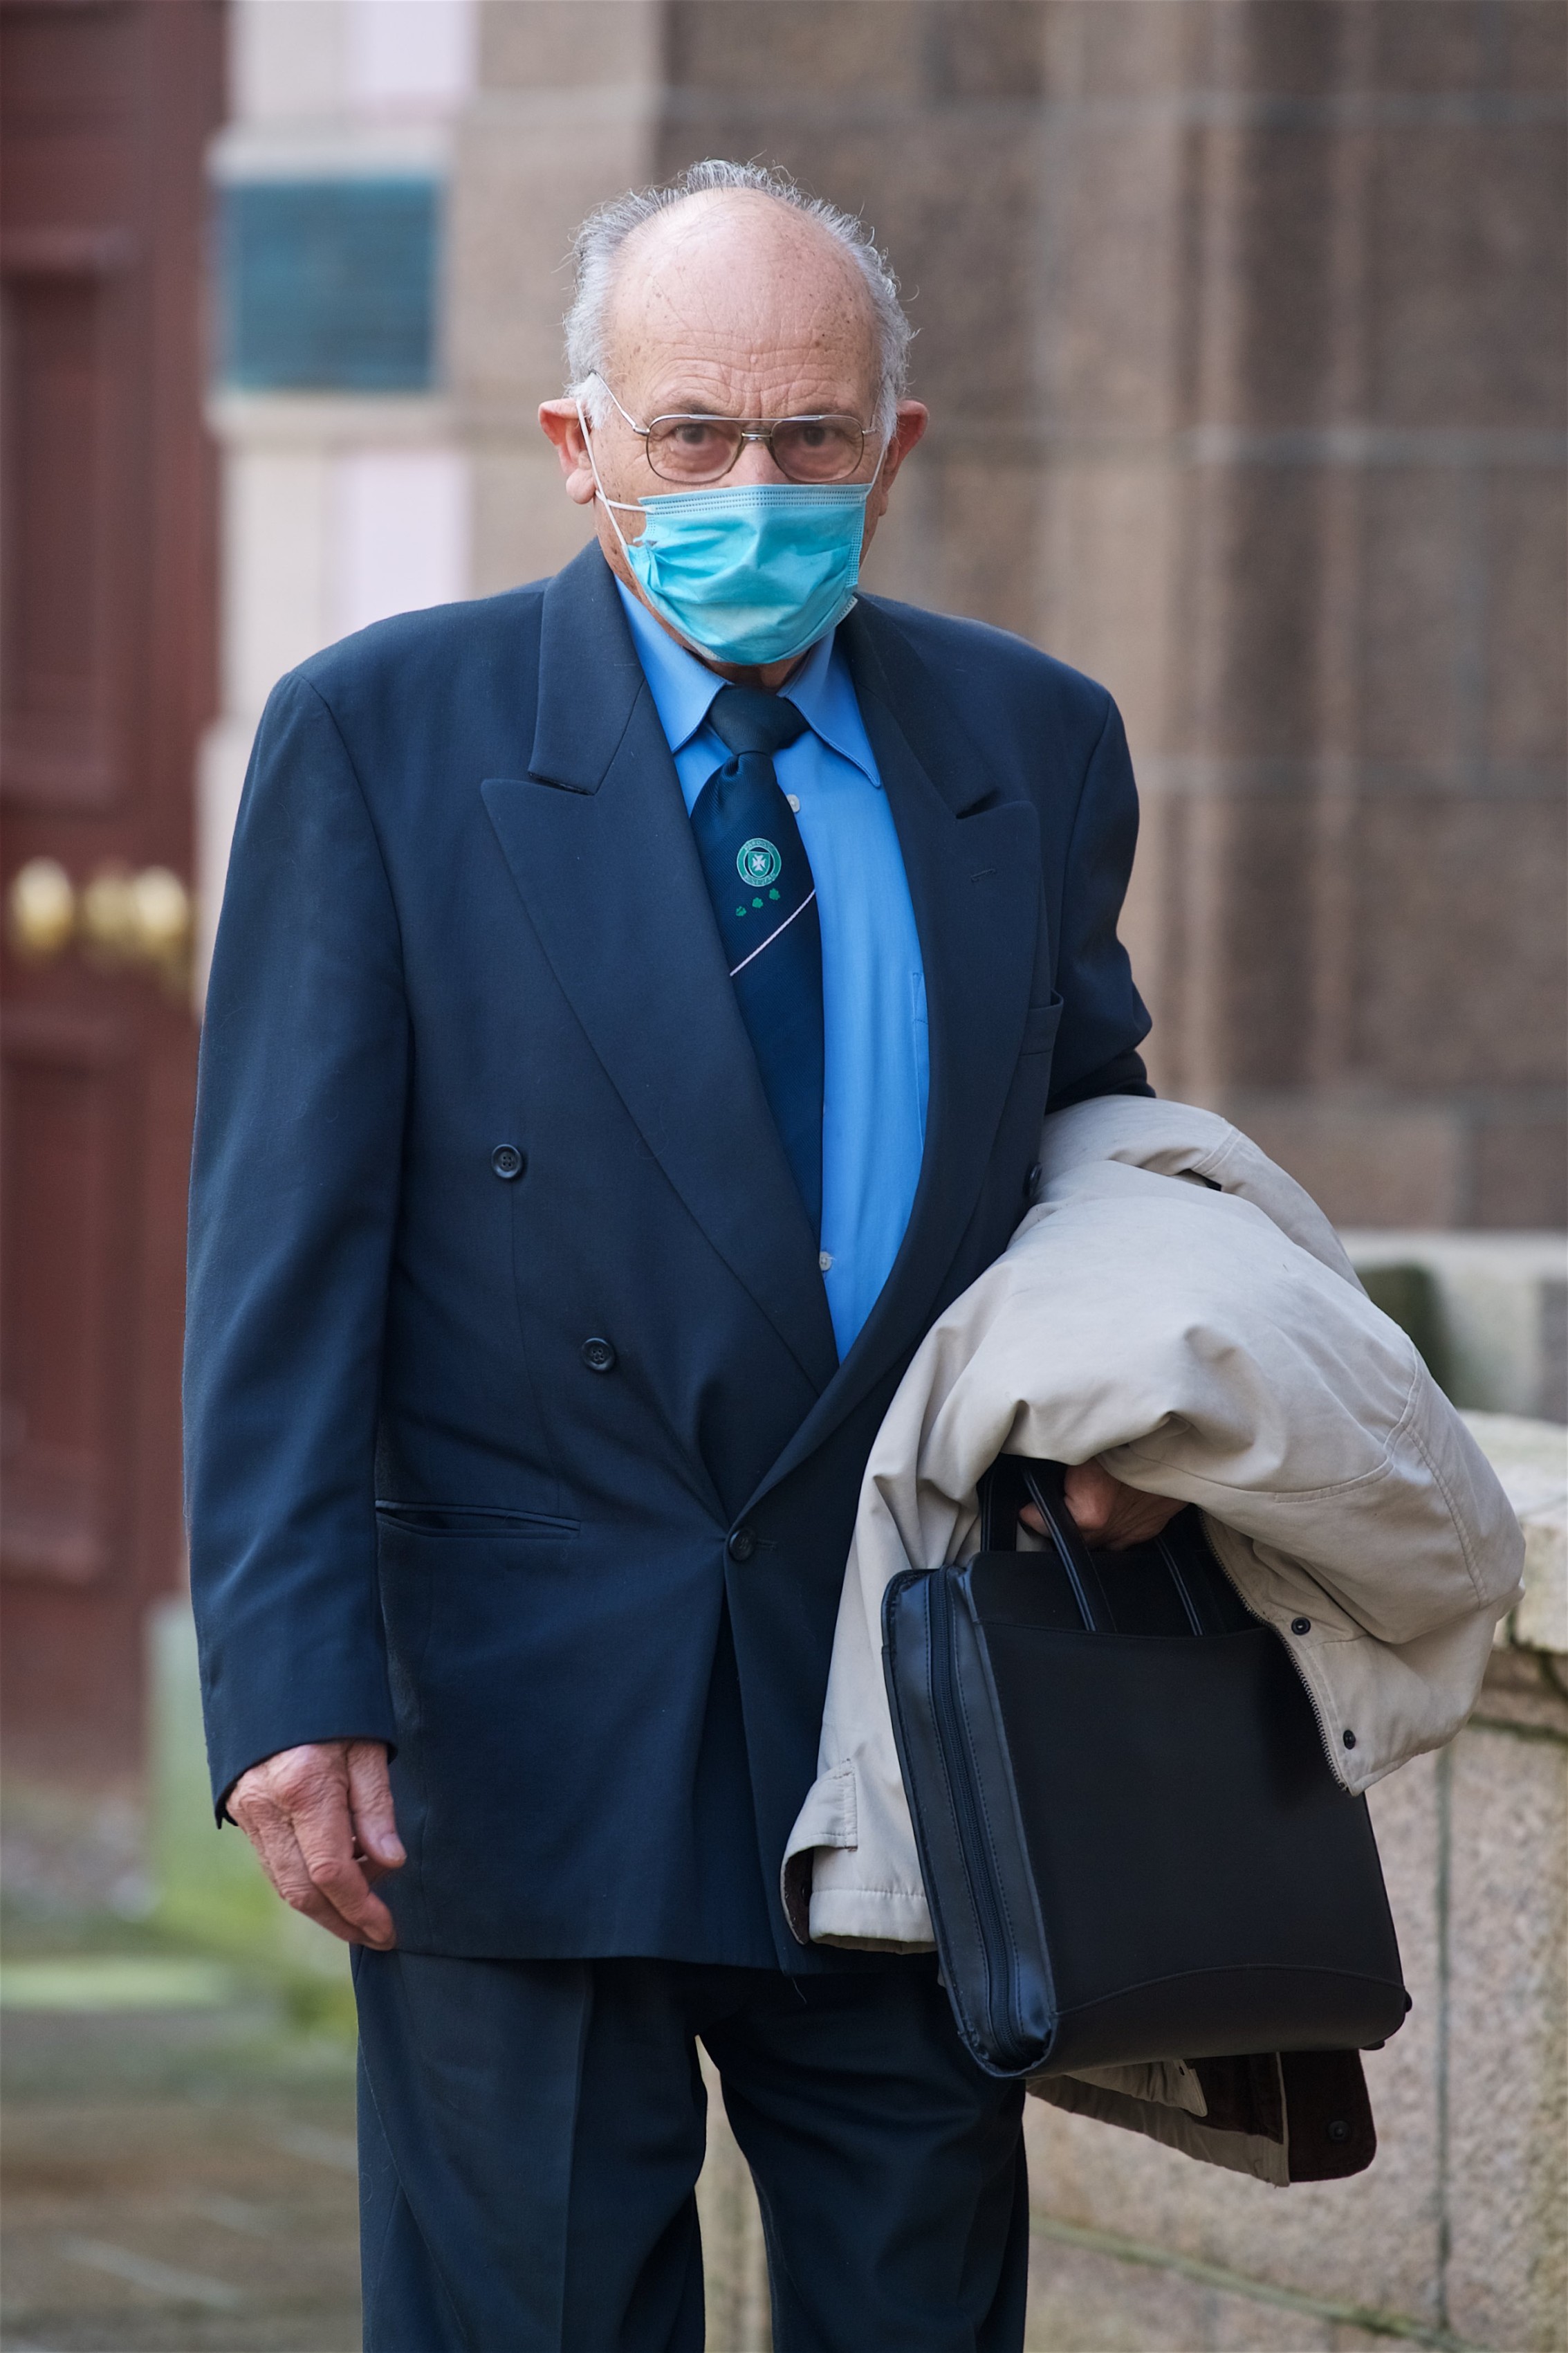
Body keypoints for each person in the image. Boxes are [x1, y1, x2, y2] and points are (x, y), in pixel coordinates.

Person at [185, 160, 1177, 2353]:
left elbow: (1086, 1125)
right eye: (693, 434)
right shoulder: (383, 738)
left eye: (809, 439)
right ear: (582, 446)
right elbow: (280, 1245)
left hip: (912, 1710)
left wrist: (1146, 1403)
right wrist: (288, 1688)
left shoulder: (1032, 742)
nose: (753, 483)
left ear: (891, 453)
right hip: (513, 1724)